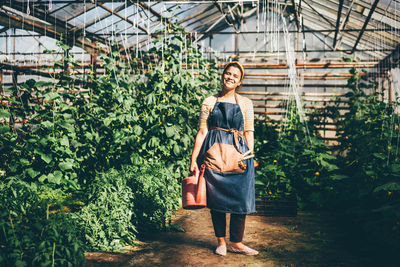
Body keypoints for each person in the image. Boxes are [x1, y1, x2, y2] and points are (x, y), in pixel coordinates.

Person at [190, 61, 258, 256]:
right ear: (223, 75)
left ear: (239, 82)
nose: (230, 77)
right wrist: (194, 159)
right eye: (228, 73)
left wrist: (249, 154)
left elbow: (249, 132)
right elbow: (202, 132)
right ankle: (221, 242)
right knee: (216, 200)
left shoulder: (245, 103)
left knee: (241, 200)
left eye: (235, 76)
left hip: (239, 156)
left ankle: (237, 242)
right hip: (214, 155)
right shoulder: (209, 102)